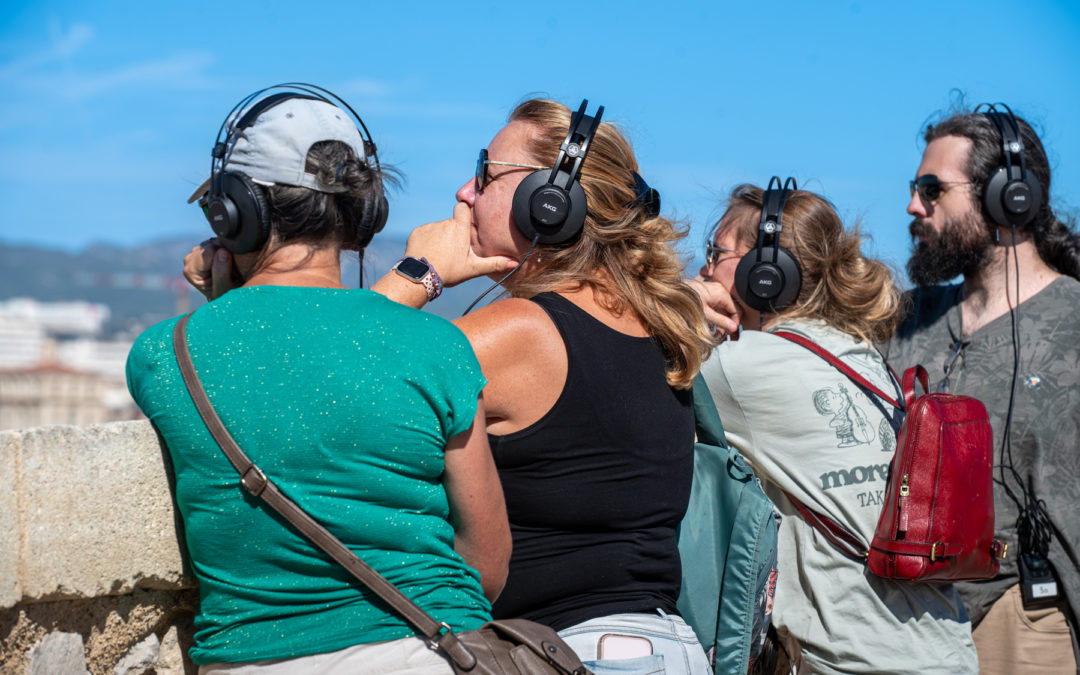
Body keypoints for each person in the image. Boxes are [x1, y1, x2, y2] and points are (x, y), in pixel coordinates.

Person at [190, 97, 717, 674]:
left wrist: (419, 274)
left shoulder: (523, 333)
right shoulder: (645, 325)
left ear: (549, 203)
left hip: (582, 652)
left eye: (486, 175)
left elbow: (327, 379)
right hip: (654, 648)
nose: (465, 192)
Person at [129, 85, 511, 674]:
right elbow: (487, 562)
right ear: (363, 215)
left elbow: (261, 372)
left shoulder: (164, 354)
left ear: (234, 214)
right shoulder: (438, 345)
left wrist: (224, 302)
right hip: (429, 654)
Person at [692, 182, 979, 674]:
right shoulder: (860, 355)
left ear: (764, 272)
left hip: (859, 662)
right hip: (944, 651)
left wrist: (681, 303)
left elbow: (624, 370)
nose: (703, 270)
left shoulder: (745, 367)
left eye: (715, 253)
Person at [884, 105, 1080, 675]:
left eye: (932, 189)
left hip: (1020, 620)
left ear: (1007, 197)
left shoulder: (1073, 321)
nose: (914, 206)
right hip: (901, 620)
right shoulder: (904, 320)